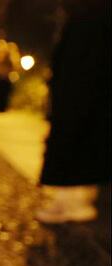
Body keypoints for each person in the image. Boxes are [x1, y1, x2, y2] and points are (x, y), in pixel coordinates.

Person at [35, 0, 110, 223]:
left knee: (81, 138)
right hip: (75, 85)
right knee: (68, 136)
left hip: (87, 87)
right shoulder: (83, 15)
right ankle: (65, 196)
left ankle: (77, 200)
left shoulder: (96, 16)